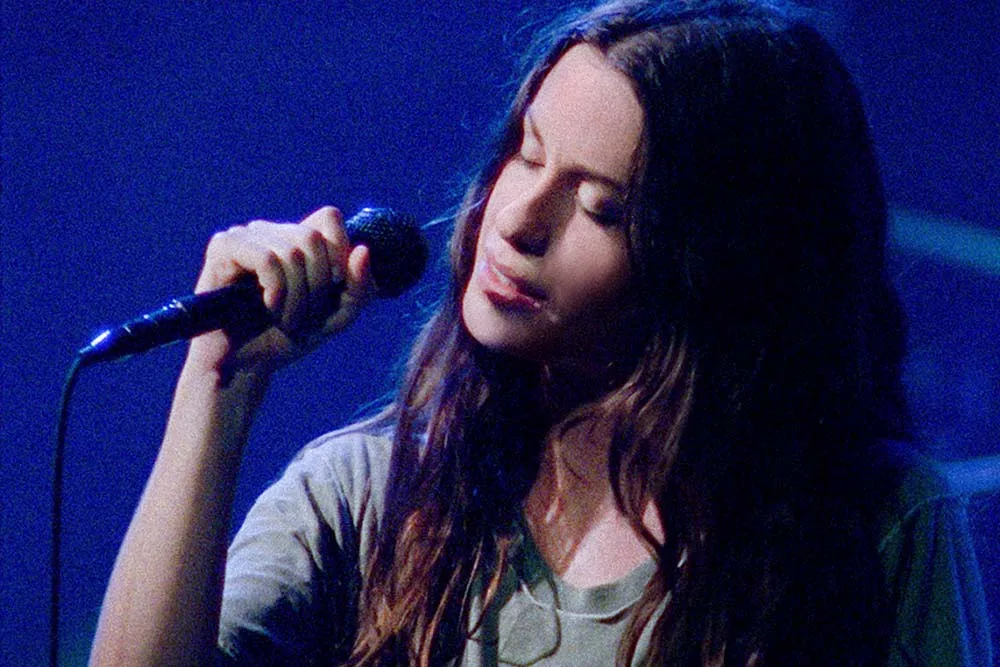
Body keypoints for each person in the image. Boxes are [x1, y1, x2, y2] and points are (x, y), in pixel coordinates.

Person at [90, 1, 992, 665]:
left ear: (720, 267)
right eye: (527, 151)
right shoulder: (369, 495)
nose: (518, 219)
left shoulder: (876, 526)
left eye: (601, 207)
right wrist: (217, 384)